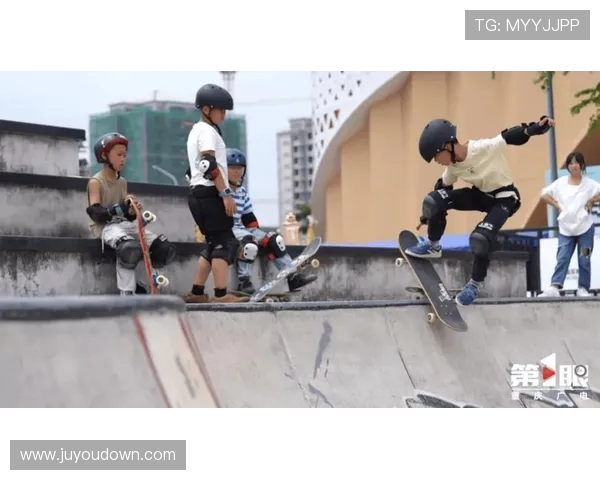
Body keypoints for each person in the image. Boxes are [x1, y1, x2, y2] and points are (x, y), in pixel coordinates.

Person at [406, 116, 555, 306]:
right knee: (433, 200)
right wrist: (428, 214)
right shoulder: (453, 168)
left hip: (505, 198)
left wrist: (534, 129)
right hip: (481, 196)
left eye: (436, 156)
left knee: (480, 238)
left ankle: (475, 284)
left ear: (447, 146)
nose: (437, 161)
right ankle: (433, 246)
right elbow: (442, 189)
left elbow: (509, 136)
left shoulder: (481, 148)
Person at [86, 132, 176, 295]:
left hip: (123, 225)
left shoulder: (122, 182)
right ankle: (127, 293)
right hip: (105, 228)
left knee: (162, 247)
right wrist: (118, 208)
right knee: (129, 249)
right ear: (104, 156)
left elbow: (126, 216)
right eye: (119, 155)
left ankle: (150, 286)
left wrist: (131, 210)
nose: (123, 159)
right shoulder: (96, 182)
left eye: (125, 155)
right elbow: (95, 212)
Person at [183, 84, 245, 304]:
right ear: (206, 109)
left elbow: (193, 168)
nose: (224, 114)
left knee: (212, 245)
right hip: (210, 194)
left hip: (197, 194)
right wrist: (226, 193)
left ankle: (197, 293)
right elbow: (208, 164)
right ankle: (221, 295)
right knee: (225, 243)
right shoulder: (208, 132)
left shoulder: (196, 131)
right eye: (220, 110)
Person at [226, 148, 318, 294]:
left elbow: (249, 218)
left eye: (240, 168)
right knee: (249, 243)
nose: (237, 172)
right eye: (232, 168)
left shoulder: (242, 192)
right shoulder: (220, 192)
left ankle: (292, 277)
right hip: (226, 229)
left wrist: (261, 237)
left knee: (275, 240)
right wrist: (253, 237)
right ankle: (244, 282)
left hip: (241, 229)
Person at [538, 152, 600, 297]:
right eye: (570, 163)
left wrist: (591, 201)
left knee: (585, 258)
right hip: (566, 229)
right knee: (562, 257)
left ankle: (583, 288)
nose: (573, 166)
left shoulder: (590, 184)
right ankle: (555, 286)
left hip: (585, 229)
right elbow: (543, 195)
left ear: (582, 165)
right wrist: (557, 205)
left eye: (576, 163)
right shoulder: (560, 183)